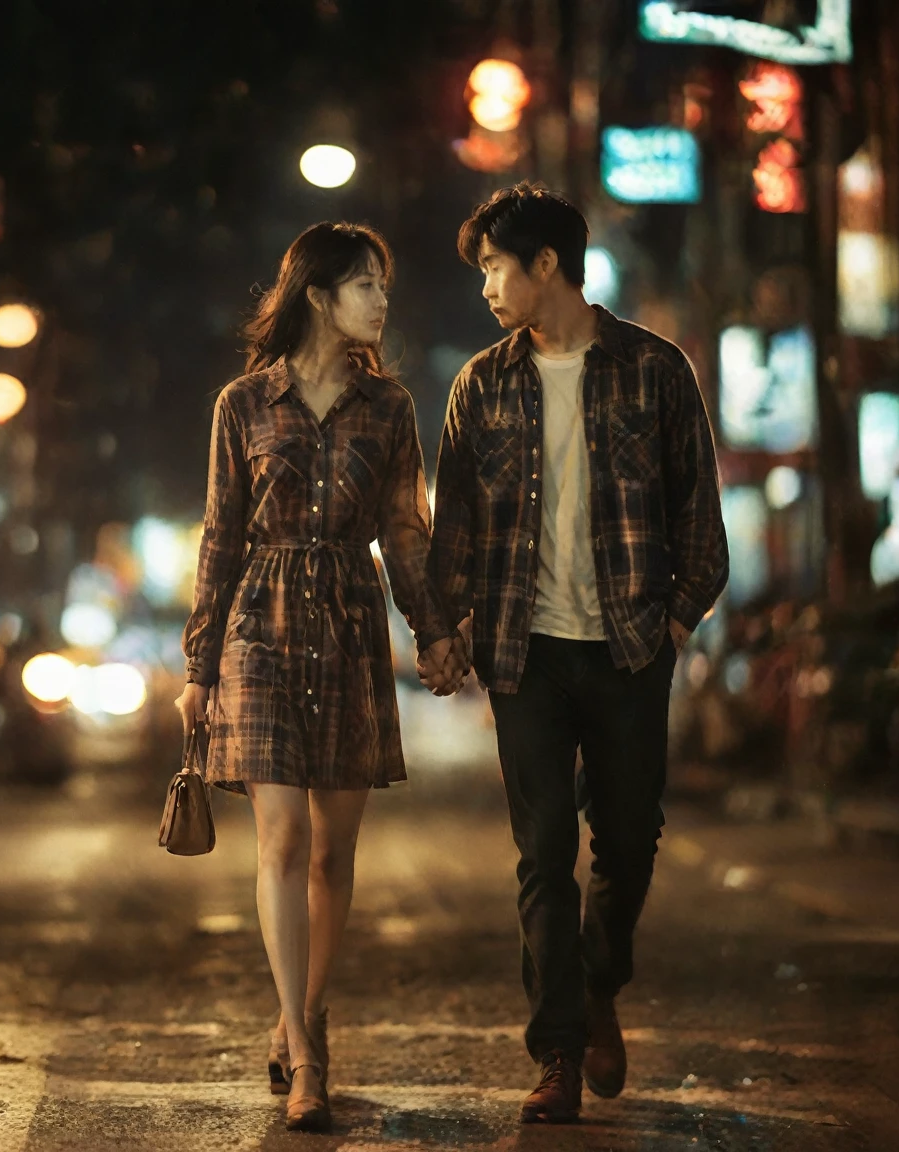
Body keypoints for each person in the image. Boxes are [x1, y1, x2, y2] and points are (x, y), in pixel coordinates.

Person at [420, 184, 728, 1124]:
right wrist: (445, 631)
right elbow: (457, 529)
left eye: (493, 268)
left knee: (630, 838)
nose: (485, 288)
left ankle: (599, 983)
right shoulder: (482, 382)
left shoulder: (655, 369)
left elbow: (700, 525)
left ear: (544, 264)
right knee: (543, 850)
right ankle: (555, 1051)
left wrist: (672, 622)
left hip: (632, 648)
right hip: (527, 654)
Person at [176, 222, 446, 1133]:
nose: (381, 301)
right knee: (282, 836)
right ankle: (307, 1054)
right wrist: (199, 664)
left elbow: (405, 532)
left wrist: (434, 632)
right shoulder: (243, 405)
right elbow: (221, 536)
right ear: (319, 295)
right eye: (366, 285)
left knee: (335, 852)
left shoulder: (391, 407)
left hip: (348, 620)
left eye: (383, 285)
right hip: (260, 622)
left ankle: (306, 1010)